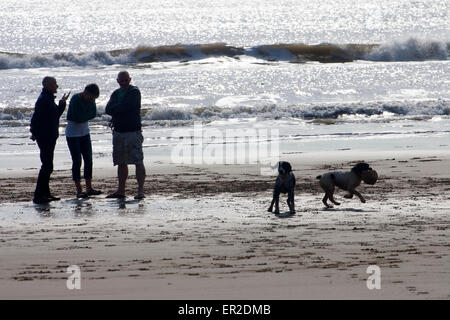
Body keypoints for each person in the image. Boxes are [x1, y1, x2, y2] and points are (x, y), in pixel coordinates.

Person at [105, 71, 146, 199]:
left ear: (130, 79)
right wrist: (119, 109)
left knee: (138, 161)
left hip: (133, 131)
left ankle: (140, 191)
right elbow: (108, 109)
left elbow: (127, 107)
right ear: (117, 81)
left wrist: (117, 109)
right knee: (121, 162)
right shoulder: (116, 93)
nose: (124, 83)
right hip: (118, 132)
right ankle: (121, 191)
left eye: (126, 80)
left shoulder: (134, 92)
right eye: (121, 80)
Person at [30, 77, 70, 204]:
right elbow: (35, 118)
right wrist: (34, 132)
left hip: (49, 136)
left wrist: (62, 103)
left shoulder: (48, 98)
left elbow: (55, 115)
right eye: (54, 84)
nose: (57, 86)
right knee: (47, 166)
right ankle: (38, 195)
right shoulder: (43, 100)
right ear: (47, 85)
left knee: (48, 165)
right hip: (45, 137)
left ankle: (45, 193)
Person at [66, 83, 102, 198]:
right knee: (77, 161)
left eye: (93, 99)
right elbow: (77, 117)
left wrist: (84, 116)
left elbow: (93, 114)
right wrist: (85, 116)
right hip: (72, 133)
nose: (92, 100)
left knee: (88, 159)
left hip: (85, 132)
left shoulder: (91, 100)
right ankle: (79, 190)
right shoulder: (75, 99)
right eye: (90, 97)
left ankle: (89, 188)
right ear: (85, 92)